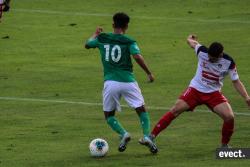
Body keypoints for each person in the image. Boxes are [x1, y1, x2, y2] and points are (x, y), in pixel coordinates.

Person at [147, 34, 250, 148]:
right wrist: (190, 38)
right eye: (209, 56)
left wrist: (246, 97)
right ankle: (151, 137)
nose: (209, 59)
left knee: (229, 116)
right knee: (175, 109)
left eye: (213, 58)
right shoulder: (202, 51)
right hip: (195, 90)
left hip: (213, 93)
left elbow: (236, 81)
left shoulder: (228, 62)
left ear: (220, 55)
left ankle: (224, 146)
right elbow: (192, 43)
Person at [84, 12, 158, 153]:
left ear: (113, 25)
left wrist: (95, 34)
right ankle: (147, 136)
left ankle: (123, 134)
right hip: (128, 82)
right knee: (141, 109)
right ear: (126, 26)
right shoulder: (129, 41)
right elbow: (137, 56)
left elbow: (87, 45)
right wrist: (149, 73)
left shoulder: (102, 38)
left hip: (110, 83)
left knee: (109, 115)